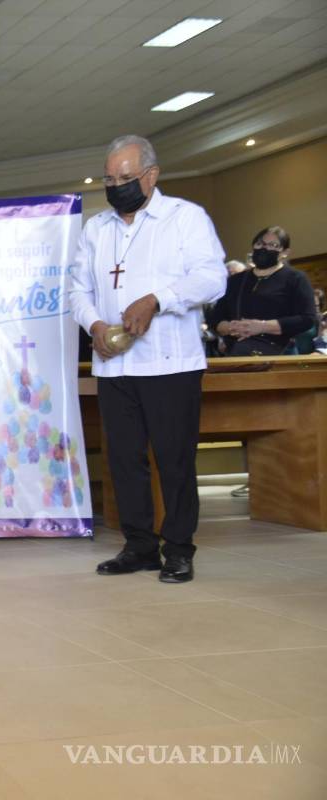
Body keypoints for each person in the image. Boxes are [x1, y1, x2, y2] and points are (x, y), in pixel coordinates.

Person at [68, 135, 226, 584]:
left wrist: (159, 299)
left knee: (174, 459)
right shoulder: (97, 229)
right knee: (123, 459)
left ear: (151, 176)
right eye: (109, 178)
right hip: (115, 366)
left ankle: (178, 548)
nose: (116, 186)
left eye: (125, 178)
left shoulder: (184, 218)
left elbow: (213, 279)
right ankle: (138, 545)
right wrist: (95, 324)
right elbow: (77, 289)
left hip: (170, 364)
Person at [208, 227, 317, 357]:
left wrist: (262, 326)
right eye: (260, 243)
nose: (264, 248)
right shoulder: (236, 280)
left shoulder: (295, 278)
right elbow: (216, 319)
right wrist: (234, 328)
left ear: (285, 252)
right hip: (237, 353)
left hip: (279, 351)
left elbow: (307, 318)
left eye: (273, 245)